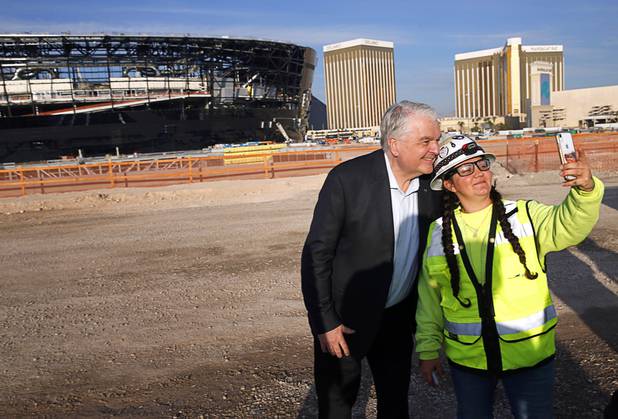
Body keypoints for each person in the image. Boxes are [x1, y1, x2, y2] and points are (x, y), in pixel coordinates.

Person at [415, 135, 604, 418]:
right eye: (466, 169)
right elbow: (430, 297)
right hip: (469, 362)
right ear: (449, 184)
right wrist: (428, 349)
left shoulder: (526, 215)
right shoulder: (438, 233)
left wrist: (585, 190)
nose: (478, 172)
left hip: (530, 355)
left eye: (481, 164)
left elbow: (569, 226)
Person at [301, 101, 443, 418]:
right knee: (337, 405)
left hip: (397, 318)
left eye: (437, 140)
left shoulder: (432, 186)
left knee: (395, 404)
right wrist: (325, 322)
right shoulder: (346, 180)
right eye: (426, 141)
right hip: (345, 321)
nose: (436, 149)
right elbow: (316, 255)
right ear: (394, 144)